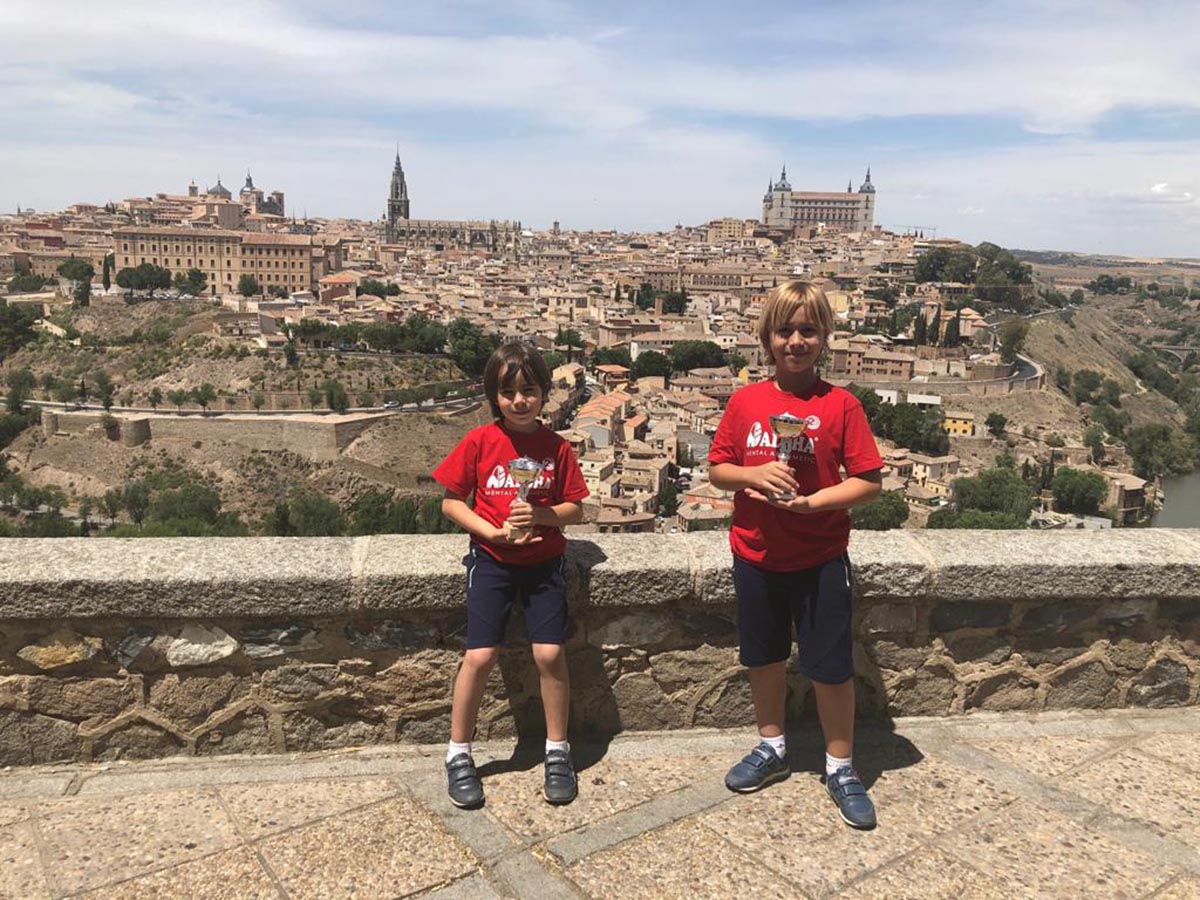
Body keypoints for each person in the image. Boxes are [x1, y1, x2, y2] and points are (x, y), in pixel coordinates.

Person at [707, 280, 884, 829]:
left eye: (808, 330)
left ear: (825, 338)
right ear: (767, 338)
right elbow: (717, 470)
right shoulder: (745, 402)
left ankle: (840, 765)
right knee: (762, 659)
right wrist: (753, 474)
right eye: (786, 330)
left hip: (820, 557)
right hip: (755, 554)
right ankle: (772, 747)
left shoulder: (842, 405)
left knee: (830, 668)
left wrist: (813, 505)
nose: (796, 341)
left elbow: (869, 481)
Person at [431, 341, 588, 809]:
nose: (520, 401)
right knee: (479, 657)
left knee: (549, 652)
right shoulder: (480, 442)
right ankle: (458, 752)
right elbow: (451, 500)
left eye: (529, 390)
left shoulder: (556, 449)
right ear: (493, 396)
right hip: (492, 562)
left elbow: (576, 509)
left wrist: (538, 516)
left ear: (544, 394)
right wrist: (492, 534)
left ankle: (557, 750)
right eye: (509, 392)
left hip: (543, 563)